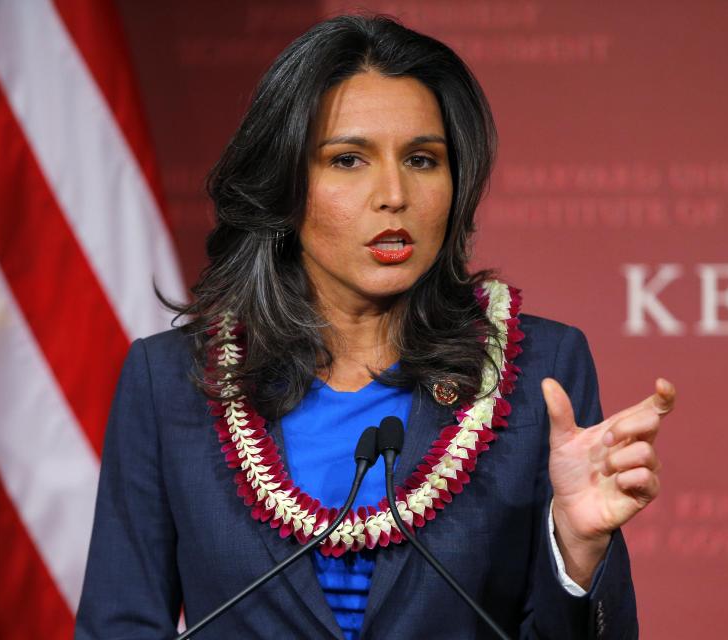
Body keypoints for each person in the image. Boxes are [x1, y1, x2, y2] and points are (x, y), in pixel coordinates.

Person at [75, 14, 675, 640]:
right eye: (348, 159)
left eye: (422, 159)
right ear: (284, 184)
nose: (393, 194)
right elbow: (120, 623)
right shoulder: (171, 379)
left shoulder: (536, 370)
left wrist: (576, 552)